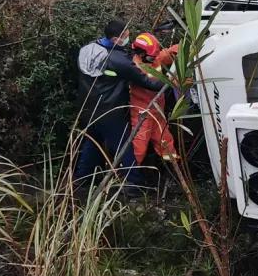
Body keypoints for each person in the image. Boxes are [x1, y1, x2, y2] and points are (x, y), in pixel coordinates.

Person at [73, 18, 165, 187]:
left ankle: (81, 181)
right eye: (126, 36)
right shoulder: (118, 61)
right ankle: (134, 187)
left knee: (93, 143)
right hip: (109, 112)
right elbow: (149, 83)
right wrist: (170, 79)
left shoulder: (87, 49)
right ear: (116, 39)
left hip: (86, 109)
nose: (128, 39)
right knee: (124, 147)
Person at [128, 31, 180, 165]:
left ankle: (174, 168)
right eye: (152, 56)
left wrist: (185, 47)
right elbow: (152, 84)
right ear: (141, 54)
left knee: (166, 142)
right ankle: (129, 176)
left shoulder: (153, 58)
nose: (155, 58)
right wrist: (172, 82)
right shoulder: (134, 68)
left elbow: (167, 54)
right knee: (139, 146)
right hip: (142, 113)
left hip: (157, 111)